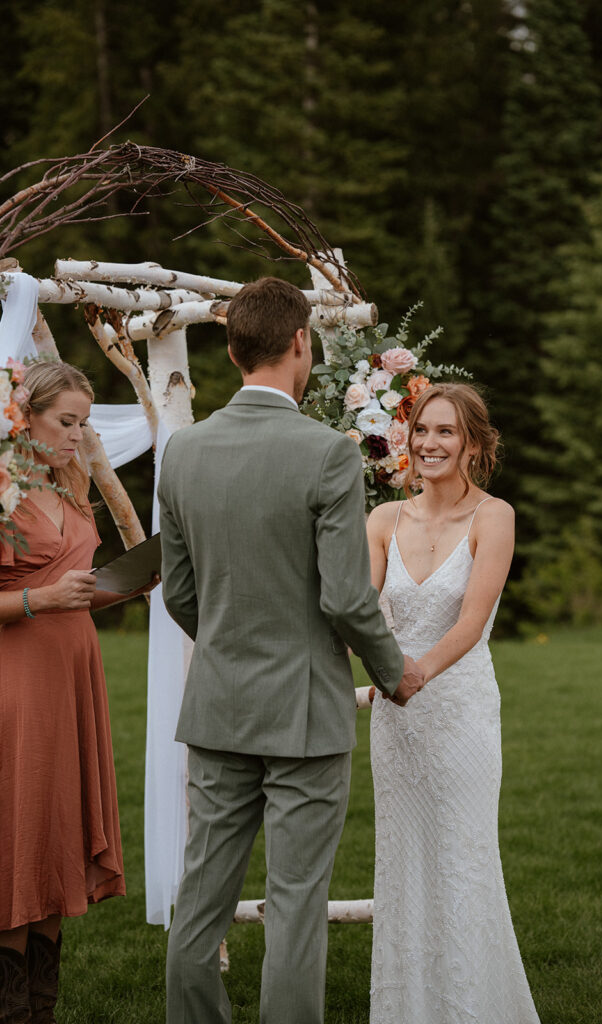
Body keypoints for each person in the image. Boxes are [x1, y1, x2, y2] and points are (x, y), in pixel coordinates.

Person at [158, 276, 424, 1024]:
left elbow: (180, 593)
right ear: (300, 341)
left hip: (216, 709)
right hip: (304, 711)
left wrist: (227, 646)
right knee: (297, 905)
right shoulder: (325, 454)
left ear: (234, 350)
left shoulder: (182, 453)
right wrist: (392, 671)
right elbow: (344, 598)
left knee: (199, 904)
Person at [367, 382, 541, 1023]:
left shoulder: (494, 516)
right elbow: (361, 610)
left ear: (473, 444)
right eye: (422, 431)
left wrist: (415, 674)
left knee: (462, 862)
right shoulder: (384, 520)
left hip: (459, 710)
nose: (430, 443)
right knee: (405, 865)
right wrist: (389, 671)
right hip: (397, 720)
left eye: (445, 432)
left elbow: (471, 623)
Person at [0, 361, 155, 1024]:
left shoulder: (68, 485)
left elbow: (76, 584)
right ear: (23, 416)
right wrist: (38, 597)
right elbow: (39, 591)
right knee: (20, 832)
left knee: (57, 829)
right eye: (67, 422)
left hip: (73, 680)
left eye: (84, 423)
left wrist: (124, 584)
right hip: (20, 681)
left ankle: (42, 1009)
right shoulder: (2, 489)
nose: (78, 436)